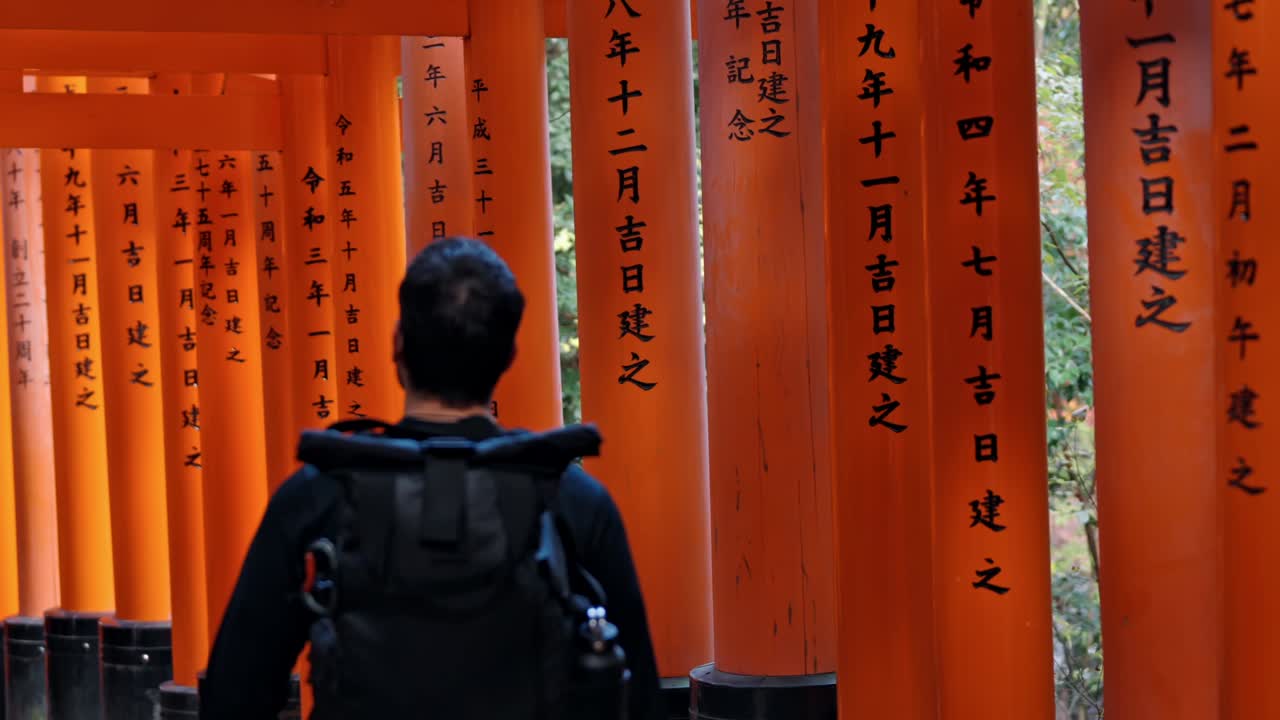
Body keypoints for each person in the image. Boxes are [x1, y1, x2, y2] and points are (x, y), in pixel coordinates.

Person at [200, 237, 660, 720]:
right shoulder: (575, 502)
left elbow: (236, 692)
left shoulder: (319, 496)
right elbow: (640, 698)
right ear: (509, 355)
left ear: (398, 343)